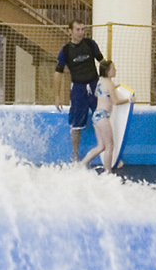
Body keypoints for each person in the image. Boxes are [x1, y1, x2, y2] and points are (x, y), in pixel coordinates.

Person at [53, 22, 105, 163]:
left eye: (82, 29)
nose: (81, 32)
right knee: (76, 125)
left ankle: (107, 155)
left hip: (94, 86)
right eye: (77, 30)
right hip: (78, 89)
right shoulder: (66, 51)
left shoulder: (90, 44)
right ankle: (75, 158)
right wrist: (57, 96)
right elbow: (58, 73)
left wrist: (108, 84)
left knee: (102, 119)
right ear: (70, 31)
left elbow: (103, 63)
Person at [77, 61, 125, 172]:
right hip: (103, 117)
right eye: (113, 68)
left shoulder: (101, 82)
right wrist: (129, 100)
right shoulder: (109, 84)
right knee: (109, 146)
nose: (115, 70)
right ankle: (108, 172)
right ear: (108, 71)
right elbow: (115, 101)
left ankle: (82, 164)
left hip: (96, 116)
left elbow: (106, 93)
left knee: (101, 146)